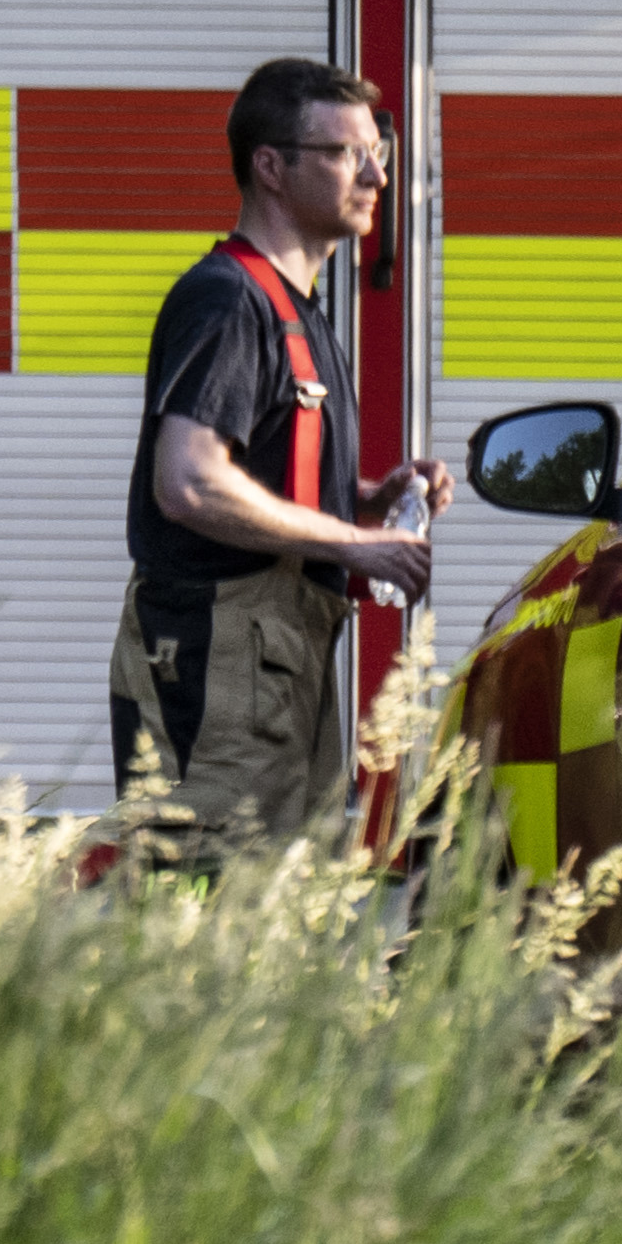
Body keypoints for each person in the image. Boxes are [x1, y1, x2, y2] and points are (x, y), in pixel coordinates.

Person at [119, 55, 440, 857]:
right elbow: (189, 480)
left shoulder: (293, 311)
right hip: (222, 664)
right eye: (343, 153)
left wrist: (369, 498)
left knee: (278, 916)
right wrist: (356, 542)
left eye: (379, 154)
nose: (373, 173)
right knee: (209, 904)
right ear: (270, 166)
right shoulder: (229, 299)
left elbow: (256, 477)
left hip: (274, 668)